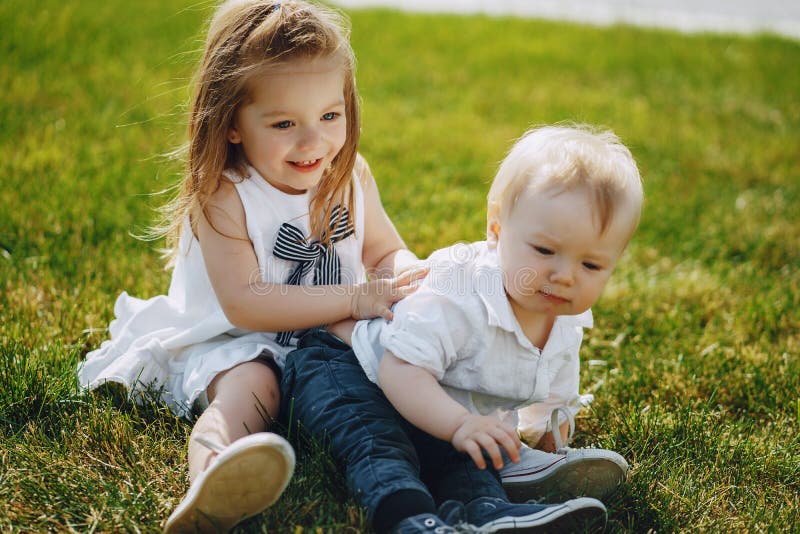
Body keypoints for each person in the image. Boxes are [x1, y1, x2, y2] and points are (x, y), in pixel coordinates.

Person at [77, 1, 427, 532]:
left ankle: (507, 440)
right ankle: (214, 471)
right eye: (284, 123)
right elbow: (245, 301)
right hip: (236, 339)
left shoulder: (349, 174)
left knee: (410, 364)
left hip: (326, 341)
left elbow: (382, 251)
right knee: (253, 388)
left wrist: (405, 276)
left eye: (330, 116)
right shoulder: (224, 194)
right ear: (232, 122)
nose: (313, 141)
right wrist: (356, 299)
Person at [282, 124, 644, 533]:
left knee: (465, 451)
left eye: (591, 265)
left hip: (430, 393)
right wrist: (459, 424)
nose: (564, 276)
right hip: (345, 366)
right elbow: (399, 371)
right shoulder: (459, 293)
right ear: (497, 229)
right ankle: (407, 518)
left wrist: (549, 442)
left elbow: (554, 390)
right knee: (381, 441)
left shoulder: (564, 316)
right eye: (545, 251)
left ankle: (489, 509)